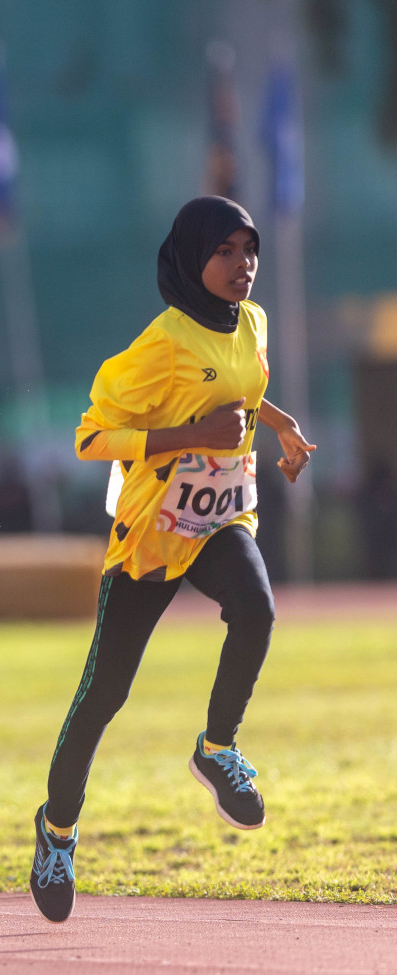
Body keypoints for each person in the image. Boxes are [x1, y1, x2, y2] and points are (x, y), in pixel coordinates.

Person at [27, 197, 317, 924]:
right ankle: (57, 831)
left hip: (221, 520)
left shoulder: (251, 322)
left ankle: (217, 749)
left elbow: (239, 393)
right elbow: (91, 438)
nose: (242, 265)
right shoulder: (160, 344)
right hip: (152, 534)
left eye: (249, 250)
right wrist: (186, 436)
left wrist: (279, 426)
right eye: (224, 252)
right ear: (192, 259)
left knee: (257, 610)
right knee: (103, 699)